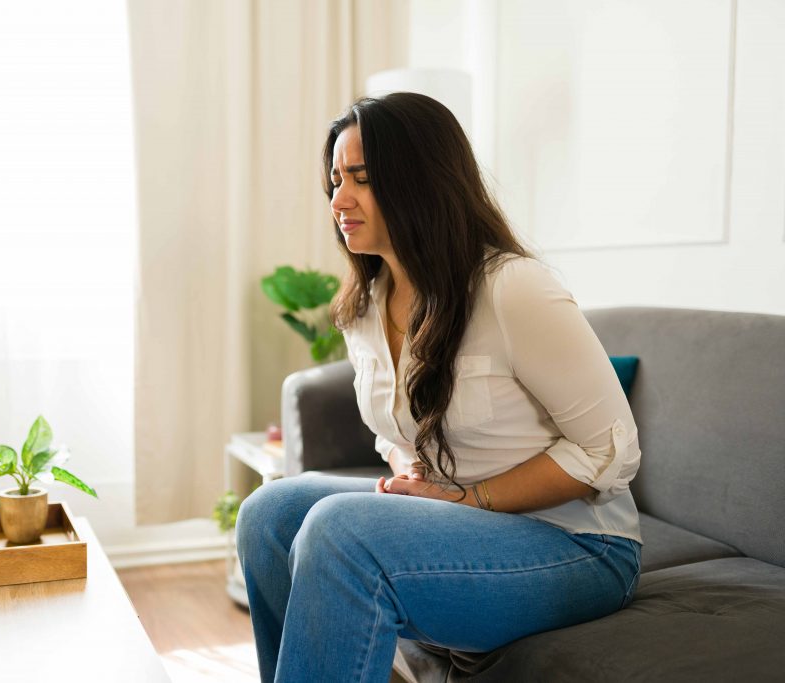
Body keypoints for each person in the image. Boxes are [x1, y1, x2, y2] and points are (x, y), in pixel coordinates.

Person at [236, 92, 643, 683]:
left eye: (361, 179)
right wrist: (412, 478)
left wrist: (468, 501)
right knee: (268, 513)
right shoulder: (363, 308)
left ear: (419, 182)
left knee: (339, 530)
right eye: (334, 181)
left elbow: (611, 449)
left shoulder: (512, 289)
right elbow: (394, 432)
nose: (338, 201)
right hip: (456, 524)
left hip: (579, 545)